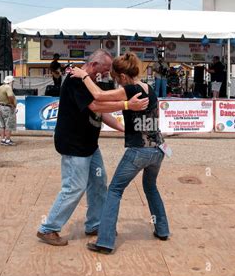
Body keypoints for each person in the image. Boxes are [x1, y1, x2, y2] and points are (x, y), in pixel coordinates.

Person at [36, 49, 149, 246]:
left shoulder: (90, 81)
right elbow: (96, 107)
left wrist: (122, 128)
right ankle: (49, 228)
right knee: (74, 186)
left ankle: (95, 224)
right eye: (105, 69)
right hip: (74, 145)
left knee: (98, 183)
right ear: (95, 65)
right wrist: (127, 105)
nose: (106, 73)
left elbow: (101, 113)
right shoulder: (75, 80)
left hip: (89, 144)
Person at [71, 52, 170, 254]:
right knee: (151, 188)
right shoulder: (148, 88)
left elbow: (98, 96)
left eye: (116, 79)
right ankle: (162, 229)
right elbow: (106, 104)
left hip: (139, 151)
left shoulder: (130, 89)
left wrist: (82, 76)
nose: (116, 83)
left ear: (123, 76)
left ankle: (105, 242)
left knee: (114, 191)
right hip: (158, 149)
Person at [0, 75, 17, 146]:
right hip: (7, 107)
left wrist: (0, 100)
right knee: (8, 124)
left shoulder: (1, 87)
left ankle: (3, 139)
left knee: (2, 124)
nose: (13, 83)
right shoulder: (8, 87)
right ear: (10, 81)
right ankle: (7, 140)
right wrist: (12, 104)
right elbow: (10, 96)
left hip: (1, 106)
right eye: (12, 81)